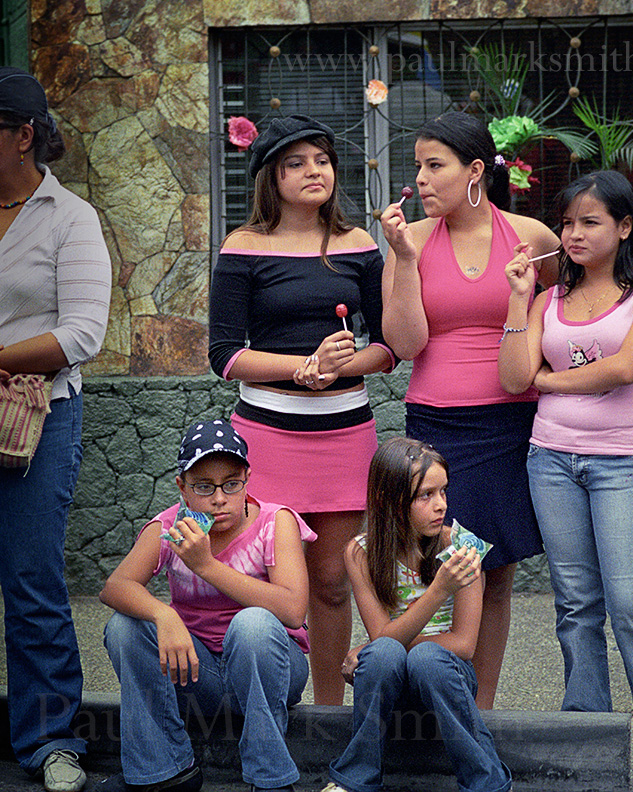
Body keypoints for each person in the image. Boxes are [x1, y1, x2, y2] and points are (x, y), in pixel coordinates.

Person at [208, 115, 395, 705]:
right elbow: (224, 355)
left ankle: (329, 716)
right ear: (271, 176)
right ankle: (267, 706)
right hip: (267, 438)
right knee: (269, 579)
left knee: (333, 583)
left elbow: (389, 348)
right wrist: (301, 368)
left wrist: (341, 365)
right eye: (296, 163)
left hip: (345, 436)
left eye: (322, 160)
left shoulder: (359, 244)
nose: (315, 171)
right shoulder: (243, 246)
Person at [499, 169, 633, 715]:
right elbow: (514, 378)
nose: (573, 235)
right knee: (575, 603)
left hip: (620, 463)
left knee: (631, 601)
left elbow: (625, 369)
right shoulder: (549, 299)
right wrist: (519, 299)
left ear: (624, 226)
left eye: (590, 222)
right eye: (567, 223)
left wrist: (551, 381)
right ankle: (585, 718)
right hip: (550, 460)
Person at [380, 111, 560, 708]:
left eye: (435, 166)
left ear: (475, 170)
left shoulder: (531, 236)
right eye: (418, 167)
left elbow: (568, 304)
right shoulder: (409, 240)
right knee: (437, 564)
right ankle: (434, 700)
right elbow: (405, 344)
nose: (421, 179)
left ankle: (481, 711)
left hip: (510, 422)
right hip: (436, 427)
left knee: (495, 571)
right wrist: (405, 259)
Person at [99, 420, 316, 792]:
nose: (219, 498)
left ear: (247, 479)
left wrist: (205, 566)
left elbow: (294, 610)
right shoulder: (171, 527)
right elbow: (115, 586)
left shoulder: (274, 521)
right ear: (182, 487)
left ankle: (270, 779)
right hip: (197, 674)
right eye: (204, 486)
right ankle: (165, 772)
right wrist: (164, 614)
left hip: (269, 669)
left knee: (253, 624)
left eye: (231, 484)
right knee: (124, 626)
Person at [0, 68, 111, 791]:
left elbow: (82, 334)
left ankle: (49, 740)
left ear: (23, 135)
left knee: (31, 578)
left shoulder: (70, 217)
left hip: (37, 419)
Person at [321, 437, 513, 792]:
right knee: (383, 655)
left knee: (422, 657)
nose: (441, 505)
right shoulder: (361, 553)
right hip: (390, 682)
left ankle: (487, 783)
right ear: (390, 500)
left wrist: (375, 646)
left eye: (443, 491)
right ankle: (355, 781)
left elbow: (464, 645)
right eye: (426, 495)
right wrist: (437, 592)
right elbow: (383, 639)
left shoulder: (460, 547)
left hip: (446, 680)